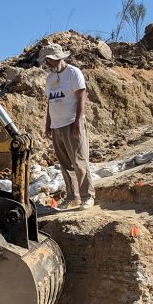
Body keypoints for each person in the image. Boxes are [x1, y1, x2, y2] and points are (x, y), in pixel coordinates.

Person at [41, 42, 94, 210]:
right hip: (57, 126)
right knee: (65, 164)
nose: (47, 64)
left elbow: (81, 98)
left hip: (72, 122)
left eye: (49, 60)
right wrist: (48, 124)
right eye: (46, 61)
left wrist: (78, 122)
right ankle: (73, 197)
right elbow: (50, 103)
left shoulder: (73, 72)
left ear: (58, 58)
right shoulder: (50, 78)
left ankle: (87, 196)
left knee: (79, 161)